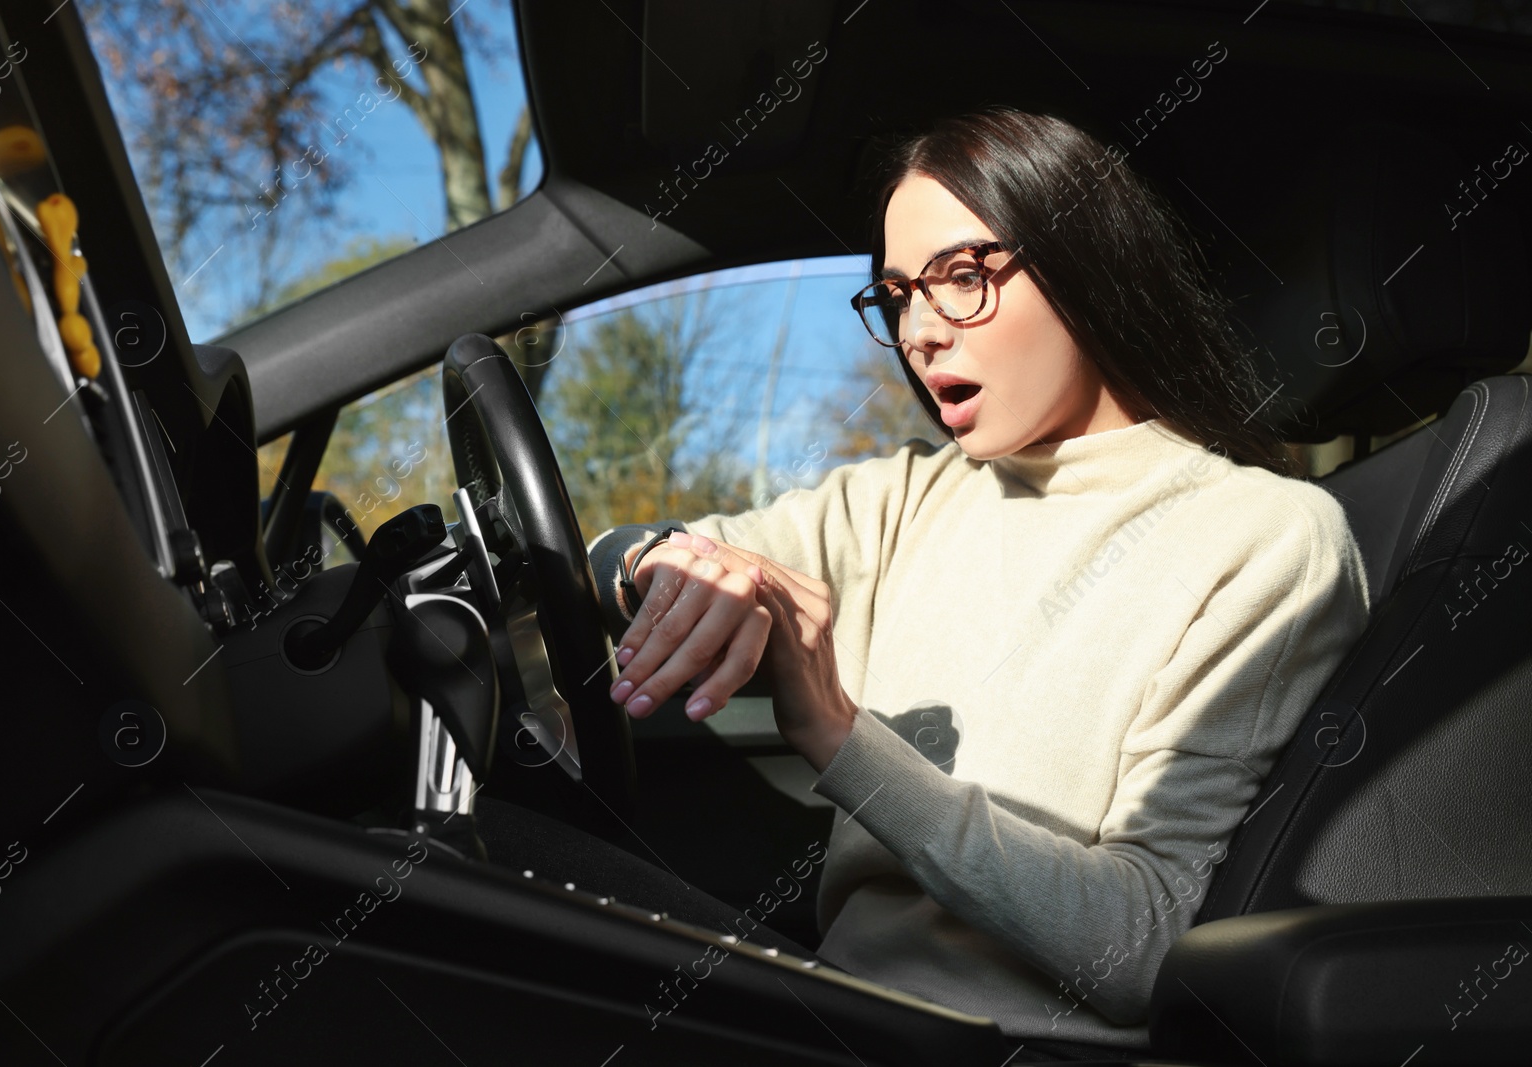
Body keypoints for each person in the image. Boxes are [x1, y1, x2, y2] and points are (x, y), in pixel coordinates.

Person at [584, 106, 1370, 1057]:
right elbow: (648, 551)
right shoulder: (906, 497)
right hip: (831, 1010)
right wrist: (662, 564)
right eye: (896, 296)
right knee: (495, 876)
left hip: (1007, 1043)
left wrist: (840, 737)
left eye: (961, 278)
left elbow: (1139, 945)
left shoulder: (1266, 538)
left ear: (1087, 267)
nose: (918, 332)